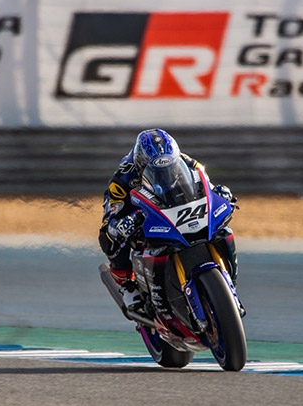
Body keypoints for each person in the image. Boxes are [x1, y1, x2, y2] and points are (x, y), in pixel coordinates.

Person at [98, 128, 238, 311]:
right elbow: (111, 216)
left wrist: (220, 193)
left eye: (169, 167)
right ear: (141, 164)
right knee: (109, 238)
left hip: (176, 207)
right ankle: (127, 286)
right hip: (139, 213)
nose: (164, 173)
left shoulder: (188, 162)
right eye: (157, 169)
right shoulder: (122, 180)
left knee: (222, 229)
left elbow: (206, 187)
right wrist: (120, 225)